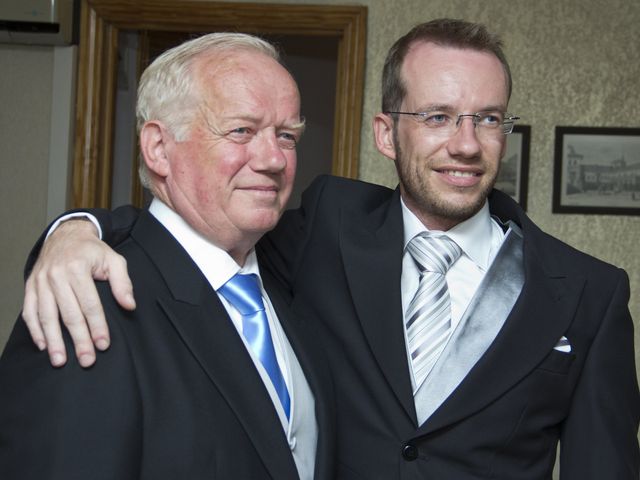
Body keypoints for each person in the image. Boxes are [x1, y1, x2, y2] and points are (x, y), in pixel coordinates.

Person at [17, 18, 640, 479]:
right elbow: (189, 228)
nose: (466, 144)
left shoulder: (588, 290)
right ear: (385, 133)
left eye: (488, 118)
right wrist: (73, 230)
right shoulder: (328, 225)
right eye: (437, 116)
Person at [0, 33, 336, 480]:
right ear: (158, 148)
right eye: (241, 130)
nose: (274, 159)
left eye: (287, 135)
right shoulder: (85, 302)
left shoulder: (293, 277)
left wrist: (76, 224)